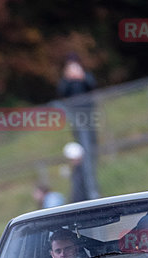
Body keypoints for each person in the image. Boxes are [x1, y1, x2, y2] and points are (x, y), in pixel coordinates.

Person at [57, 53, 100, 200]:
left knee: (89, 155)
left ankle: (92, 190)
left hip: (88, 119)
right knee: (81, 155)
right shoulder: (66, 81)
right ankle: (85, 192)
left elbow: (92, 85)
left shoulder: (85, 77)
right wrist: (69, 79)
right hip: (77, 121)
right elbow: (62, 91)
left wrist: (81, 76)